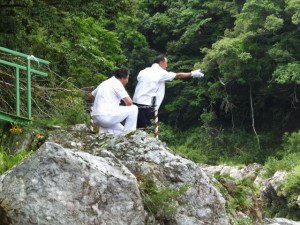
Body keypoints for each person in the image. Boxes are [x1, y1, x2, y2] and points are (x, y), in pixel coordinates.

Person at [133, 54, 204, 129]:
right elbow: (178, 75)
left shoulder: (143, 71)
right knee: (143, 129)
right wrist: (192, 73)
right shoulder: (160, 72)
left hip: (135, 103)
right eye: (166, 63)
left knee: (136, 127)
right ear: (161, 62)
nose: (167, 66)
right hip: (146, 104)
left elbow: (140, 79)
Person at [88, 67, 138, 134]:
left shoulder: (104, 83)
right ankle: (130, 134)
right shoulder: (117, 83)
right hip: (107, 116)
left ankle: (105, 132)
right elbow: (129, 102)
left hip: (97, 118)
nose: (127, 82)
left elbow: (90, 96)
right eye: (127, 79)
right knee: (134, 108)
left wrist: (101, 100)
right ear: (123, 78)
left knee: (121, 131)